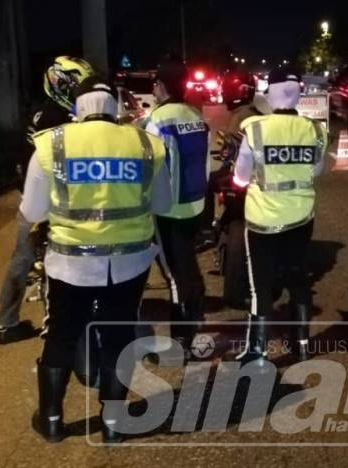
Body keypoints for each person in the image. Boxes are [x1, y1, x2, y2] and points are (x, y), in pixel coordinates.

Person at [22, 76, 171, 443]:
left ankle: (53, 420)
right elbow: (163, 204)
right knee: (119, 336)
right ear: (114, 105)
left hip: (69, 264)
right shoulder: (146, 144)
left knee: (61, 334)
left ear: (78, 105)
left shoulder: (50, 143)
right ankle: (113, 425)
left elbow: (32, 210)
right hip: (129, 262)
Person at [0, 56, 94, 345]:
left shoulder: (50, 115)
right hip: (44, 198)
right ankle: (7, 323)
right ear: (61, 88)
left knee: (26, 257)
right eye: (77, 90)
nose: (81, 96)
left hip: (50, 195)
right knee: (24, 257)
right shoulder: (54, 119)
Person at [233, 66, 327, 363]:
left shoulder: (255, 128)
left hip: (264, 220)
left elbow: (240, 174)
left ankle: (257, 349)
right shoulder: (316, 130)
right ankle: (300, 344)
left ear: (269, 93)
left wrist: (242, 182)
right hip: (301, 216)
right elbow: (316, 171)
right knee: (298, 277)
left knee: (260, 284)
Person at [142, 56, 209, 358]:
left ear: (161, 86)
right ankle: (195, 321)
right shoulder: (194, 115)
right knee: (188, 266)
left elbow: (149, 164)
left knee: (173, 276)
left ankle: (181, 341)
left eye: (155, 84)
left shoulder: (157, 120)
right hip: (195, 204)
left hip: (168, 208)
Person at [201, 71, 262, 236]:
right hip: (259, 172)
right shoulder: (253, 113)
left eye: (227, 90)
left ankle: (206, 230)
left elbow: (237, 150)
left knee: (206, 182)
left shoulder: (242, 116)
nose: (224, 94)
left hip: (243, 173)